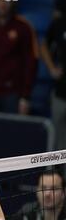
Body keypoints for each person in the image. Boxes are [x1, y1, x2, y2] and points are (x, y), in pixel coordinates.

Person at [41, 11, 66, 161]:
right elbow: (43, 45)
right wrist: (51, 68)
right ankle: (58, 176)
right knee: (59, 140)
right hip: (61, 93)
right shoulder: (60, 23)